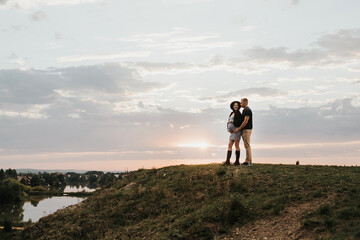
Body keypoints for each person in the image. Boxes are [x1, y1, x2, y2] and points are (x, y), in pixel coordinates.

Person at [223, 101, 243, 166]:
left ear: (239, 106)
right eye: (234, 105)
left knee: (236, 145)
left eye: (237, 105)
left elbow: (240, 122)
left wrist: (234, 124)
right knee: (229, 145)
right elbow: (228, 121)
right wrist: (228, 128)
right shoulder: (232, 113)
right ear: (232, 106)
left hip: (236, 131)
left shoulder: (239, 113)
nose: (236, 106)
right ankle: (227, 161)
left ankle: (237, 162)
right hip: (232, 132)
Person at [234, 98, 253, 165]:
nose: (240, 104)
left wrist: (239, 129)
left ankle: (248, 161)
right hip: (245, 130)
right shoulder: (244, 110)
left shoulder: (247, 110)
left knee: (247, 145)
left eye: (241, 102)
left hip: (246, 130)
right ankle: (249, 161)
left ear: (245, 102)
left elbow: (245, 121)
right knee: (246, 145)